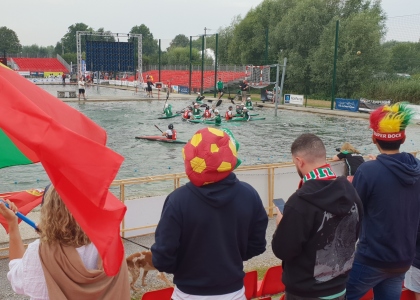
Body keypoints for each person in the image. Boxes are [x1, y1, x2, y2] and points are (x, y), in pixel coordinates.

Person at [151, 127, 268, 299]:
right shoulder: (249, 194)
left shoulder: (177, 200)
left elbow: (162, 258)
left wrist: (183, 268)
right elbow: (257, 244)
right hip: (234, 292)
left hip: (188, 293)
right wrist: (231, 258)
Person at [272, 133, 362, 300]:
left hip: (306, 291)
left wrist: (281, 226)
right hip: (339, 287)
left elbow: (283, 250)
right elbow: (355, 233)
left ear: (299, 161)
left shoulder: (299, 202)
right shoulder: (352, 192)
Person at [1, 185, 130, 300]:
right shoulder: (112, 244)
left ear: (49, 212)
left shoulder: (40, 251)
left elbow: (17, 281)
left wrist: (13, 225)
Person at [346, 102, 420, 300]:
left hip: (372, 258)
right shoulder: (417, 168)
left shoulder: (369, 171)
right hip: (403, 259)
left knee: (341, 296)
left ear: (373, 138)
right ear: (403, 139)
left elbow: (352, 214)